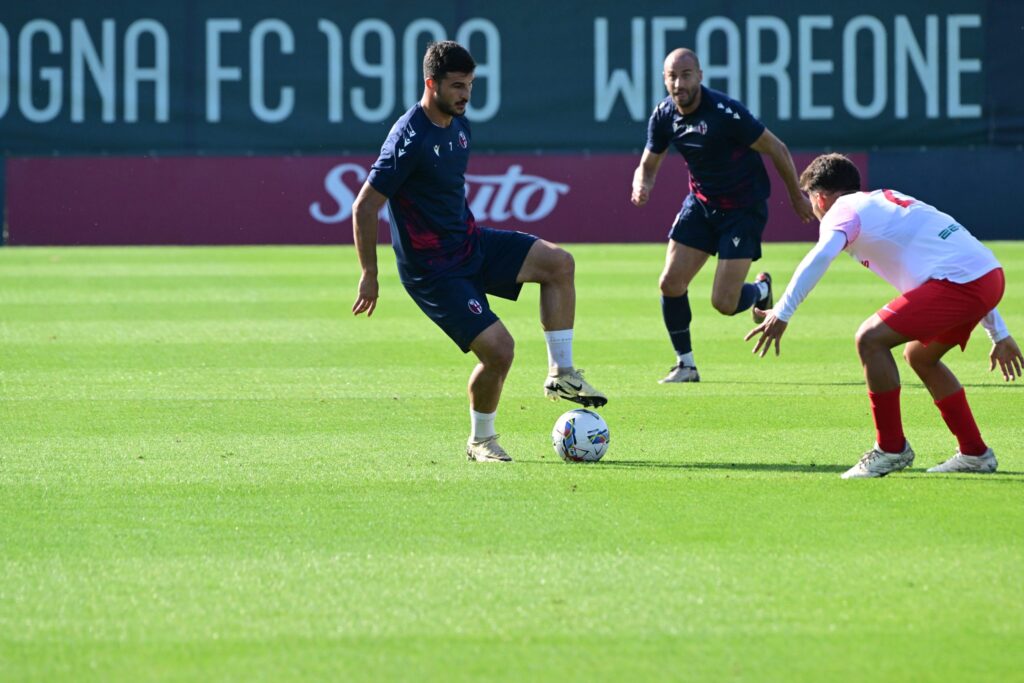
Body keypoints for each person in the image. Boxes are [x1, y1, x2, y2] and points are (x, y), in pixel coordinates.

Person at [350, 40, 606, 463]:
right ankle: (481, 441)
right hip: (434, 272)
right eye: (456, 86)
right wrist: (370, 273)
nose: (465, 94)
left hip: (469, 245)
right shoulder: (408, 138)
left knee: (559, 263)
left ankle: (561, 374)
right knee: (500, 349)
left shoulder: (461, 126)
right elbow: (365, 206)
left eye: (469, 84)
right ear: (430, 83)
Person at [745, 153, 1022, 478]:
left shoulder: (842, 211)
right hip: (986, 277)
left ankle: (890, 448)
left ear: (820, 197)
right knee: (920, 355)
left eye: (812, 201)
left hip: (963, 284)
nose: (815, 210)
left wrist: (784, 311)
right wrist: (998, 333)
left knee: (870, 339)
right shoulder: (879, 202)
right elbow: (967, 259)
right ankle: (975, 453)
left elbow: (820, 256)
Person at [630, 48, 815, 383]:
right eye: (672, 76)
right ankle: (685, 365)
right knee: (670, 283)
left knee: (724, 303)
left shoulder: (725, 113)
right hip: (701, 205)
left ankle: (759, 291)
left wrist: (797, 196)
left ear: (700, 75)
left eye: (686, 74)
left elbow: (778, 148)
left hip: (742, 209)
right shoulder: (663, 115)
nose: (678, 82)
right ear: (664, 79)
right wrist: (642, 184)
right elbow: (648, 164)